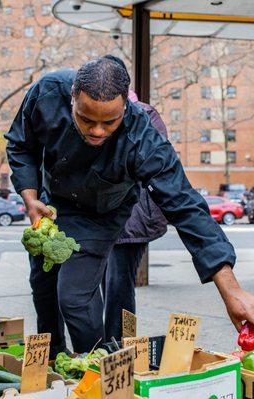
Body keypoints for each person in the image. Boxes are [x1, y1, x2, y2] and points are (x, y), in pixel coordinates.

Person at [6, 55, 254, 358]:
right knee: (42, 286)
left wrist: (231, 289)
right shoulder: (47, 92)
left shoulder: (144, 138)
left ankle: (97, 372)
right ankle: (52, 359)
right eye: (86, 119)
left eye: (109, 122)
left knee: (74, 299)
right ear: (72, 98)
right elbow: (21, 144)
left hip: (100, 213)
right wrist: (30, 198)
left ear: (125, 105)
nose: (97, 131)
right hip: (50, 201)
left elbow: (185, 205)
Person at [103, 88, 169, 341]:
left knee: (119, 285)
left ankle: (119, 348)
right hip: (107, 217)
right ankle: (107, 347)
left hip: (134, 218)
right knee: (107, 285)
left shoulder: (145, 114)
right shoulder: (101, 115)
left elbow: (158, 164)